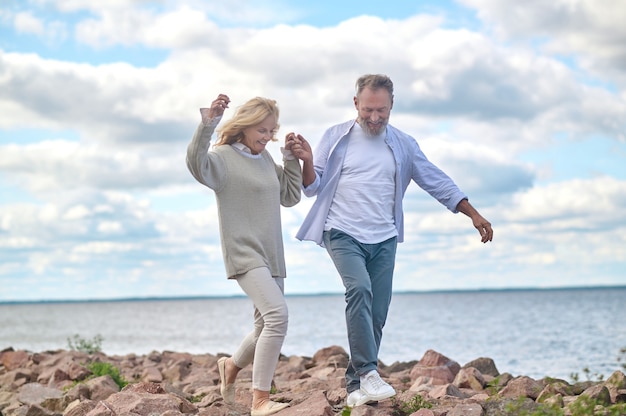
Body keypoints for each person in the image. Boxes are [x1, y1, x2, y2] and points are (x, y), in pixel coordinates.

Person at [293, 74, 493, 408]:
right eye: (368, 109)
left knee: (378, 312)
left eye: (381, 111)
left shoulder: (403, 144)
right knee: (359, 289)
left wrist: (472, 213)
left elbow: (435, 179)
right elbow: (312, 187)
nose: (374, 117)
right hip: (341, 230)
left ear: (391, 106)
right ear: (356, 103)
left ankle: (356, 385)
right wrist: (307, 160)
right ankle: (370, 372)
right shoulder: (336, 137)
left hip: (384, 236)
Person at [186, 93, 312, 416]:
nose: (267, 137)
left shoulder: (266, 159)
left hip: (272, 255)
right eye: (262, 131)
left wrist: (289, 157)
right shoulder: (223, 157)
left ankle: (230, 367)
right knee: (278, 317)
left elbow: (290, 196)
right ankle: (260, 400)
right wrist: (208, 123)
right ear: (245, 125)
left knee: (262, 329)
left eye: (272, 132)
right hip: (244, 253)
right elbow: (195, 164)